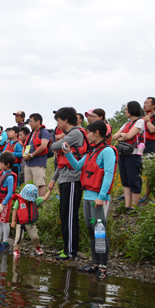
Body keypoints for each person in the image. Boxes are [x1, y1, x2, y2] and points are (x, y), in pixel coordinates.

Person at [63, 120, 118, 280]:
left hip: (98, 200)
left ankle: (103, 267)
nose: (86, 135)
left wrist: (101, 197)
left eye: (88, 132)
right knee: (91, 231)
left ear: (97, 133)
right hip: (87, 197)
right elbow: (78, 166)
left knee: (99, 232)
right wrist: (68, 153)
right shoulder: (91, 152)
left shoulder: (107, 152)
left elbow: (108, 174)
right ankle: (95, 263)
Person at [49, 107, 89, 260]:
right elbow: (61, 160)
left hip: (73, 179)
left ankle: (71, 251)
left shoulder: (76, 133)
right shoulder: (69, 134)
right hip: (65, 178)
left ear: (65, 120)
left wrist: (57, 142)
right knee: (64, 214)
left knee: (70, 216)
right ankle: (66, 248)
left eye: (58, 120)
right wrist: (54, 178)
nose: (58, 123)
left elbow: (54, 146)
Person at [112, 101, 145, 214]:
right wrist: (122, 135)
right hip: (123, 153)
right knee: (125, 180)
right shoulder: (126, 124)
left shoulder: (140, 122)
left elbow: (130, 136)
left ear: (132, 110)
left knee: (133, 180)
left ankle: (134, 207)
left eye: (127, 109)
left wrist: (121, 136)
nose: (125, 111)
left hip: (133, 154)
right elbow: (114, 136)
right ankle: (127, 205)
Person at [11, 184, 52, 258]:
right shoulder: (19, 201)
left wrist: (49, 191)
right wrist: (13, 221)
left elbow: (44, 198)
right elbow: (15, 210)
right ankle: (16, 250)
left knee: (35, 237)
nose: (29, 200)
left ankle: (38, 247)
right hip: (20, 223)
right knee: (19, 238)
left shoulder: (35, 200)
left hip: (31, 224)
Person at [0, 152, 17, 251]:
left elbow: (10, 193)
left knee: (4, 222)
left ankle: (5, 242)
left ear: (7, 164)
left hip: (5, 202)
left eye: (1, 163)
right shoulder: (1, 173)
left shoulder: (10, 177)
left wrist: (3, 204)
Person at [23, 113, 52, 197]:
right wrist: (24, 155)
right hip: (28, 163)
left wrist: (32, 155)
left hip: (38, 163)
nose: (30, 123)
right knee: (28, 184)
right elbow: (24, 146)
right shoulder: (30, 134)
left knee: (40, 184)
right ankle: (30, 202)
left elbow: (43, 146)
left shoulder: (44, 132)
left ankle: (41, 203)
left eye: (31, 121)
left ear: (38, 121)